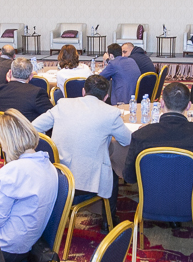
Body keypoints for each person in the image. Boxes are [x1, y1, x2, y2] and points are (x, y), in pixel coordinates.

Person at [0, 110, 59, 262]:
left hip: (4, 248)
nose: (3, 149)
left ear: (8, 142)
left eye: (1, 144)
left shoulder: (13, 170)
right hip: (27, 242)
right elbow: (29, 196)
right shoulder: (48, 165)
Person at [32, 74, 131, 205]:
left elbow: (33, 127)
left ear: (83, 91)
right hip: (84, 185)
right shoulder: (110, 113)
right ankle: (108, 217)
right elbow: (127, 140)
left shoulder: (63, 104)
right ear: (106, 97)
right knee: (112, 171)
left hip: (57, 177)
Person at [123, 83, 193, 204]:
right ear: (189, 105)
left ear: (162, 103)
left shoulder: (141, 135)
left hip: (152, 198)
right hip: (192, 199)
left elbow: (129, 177)